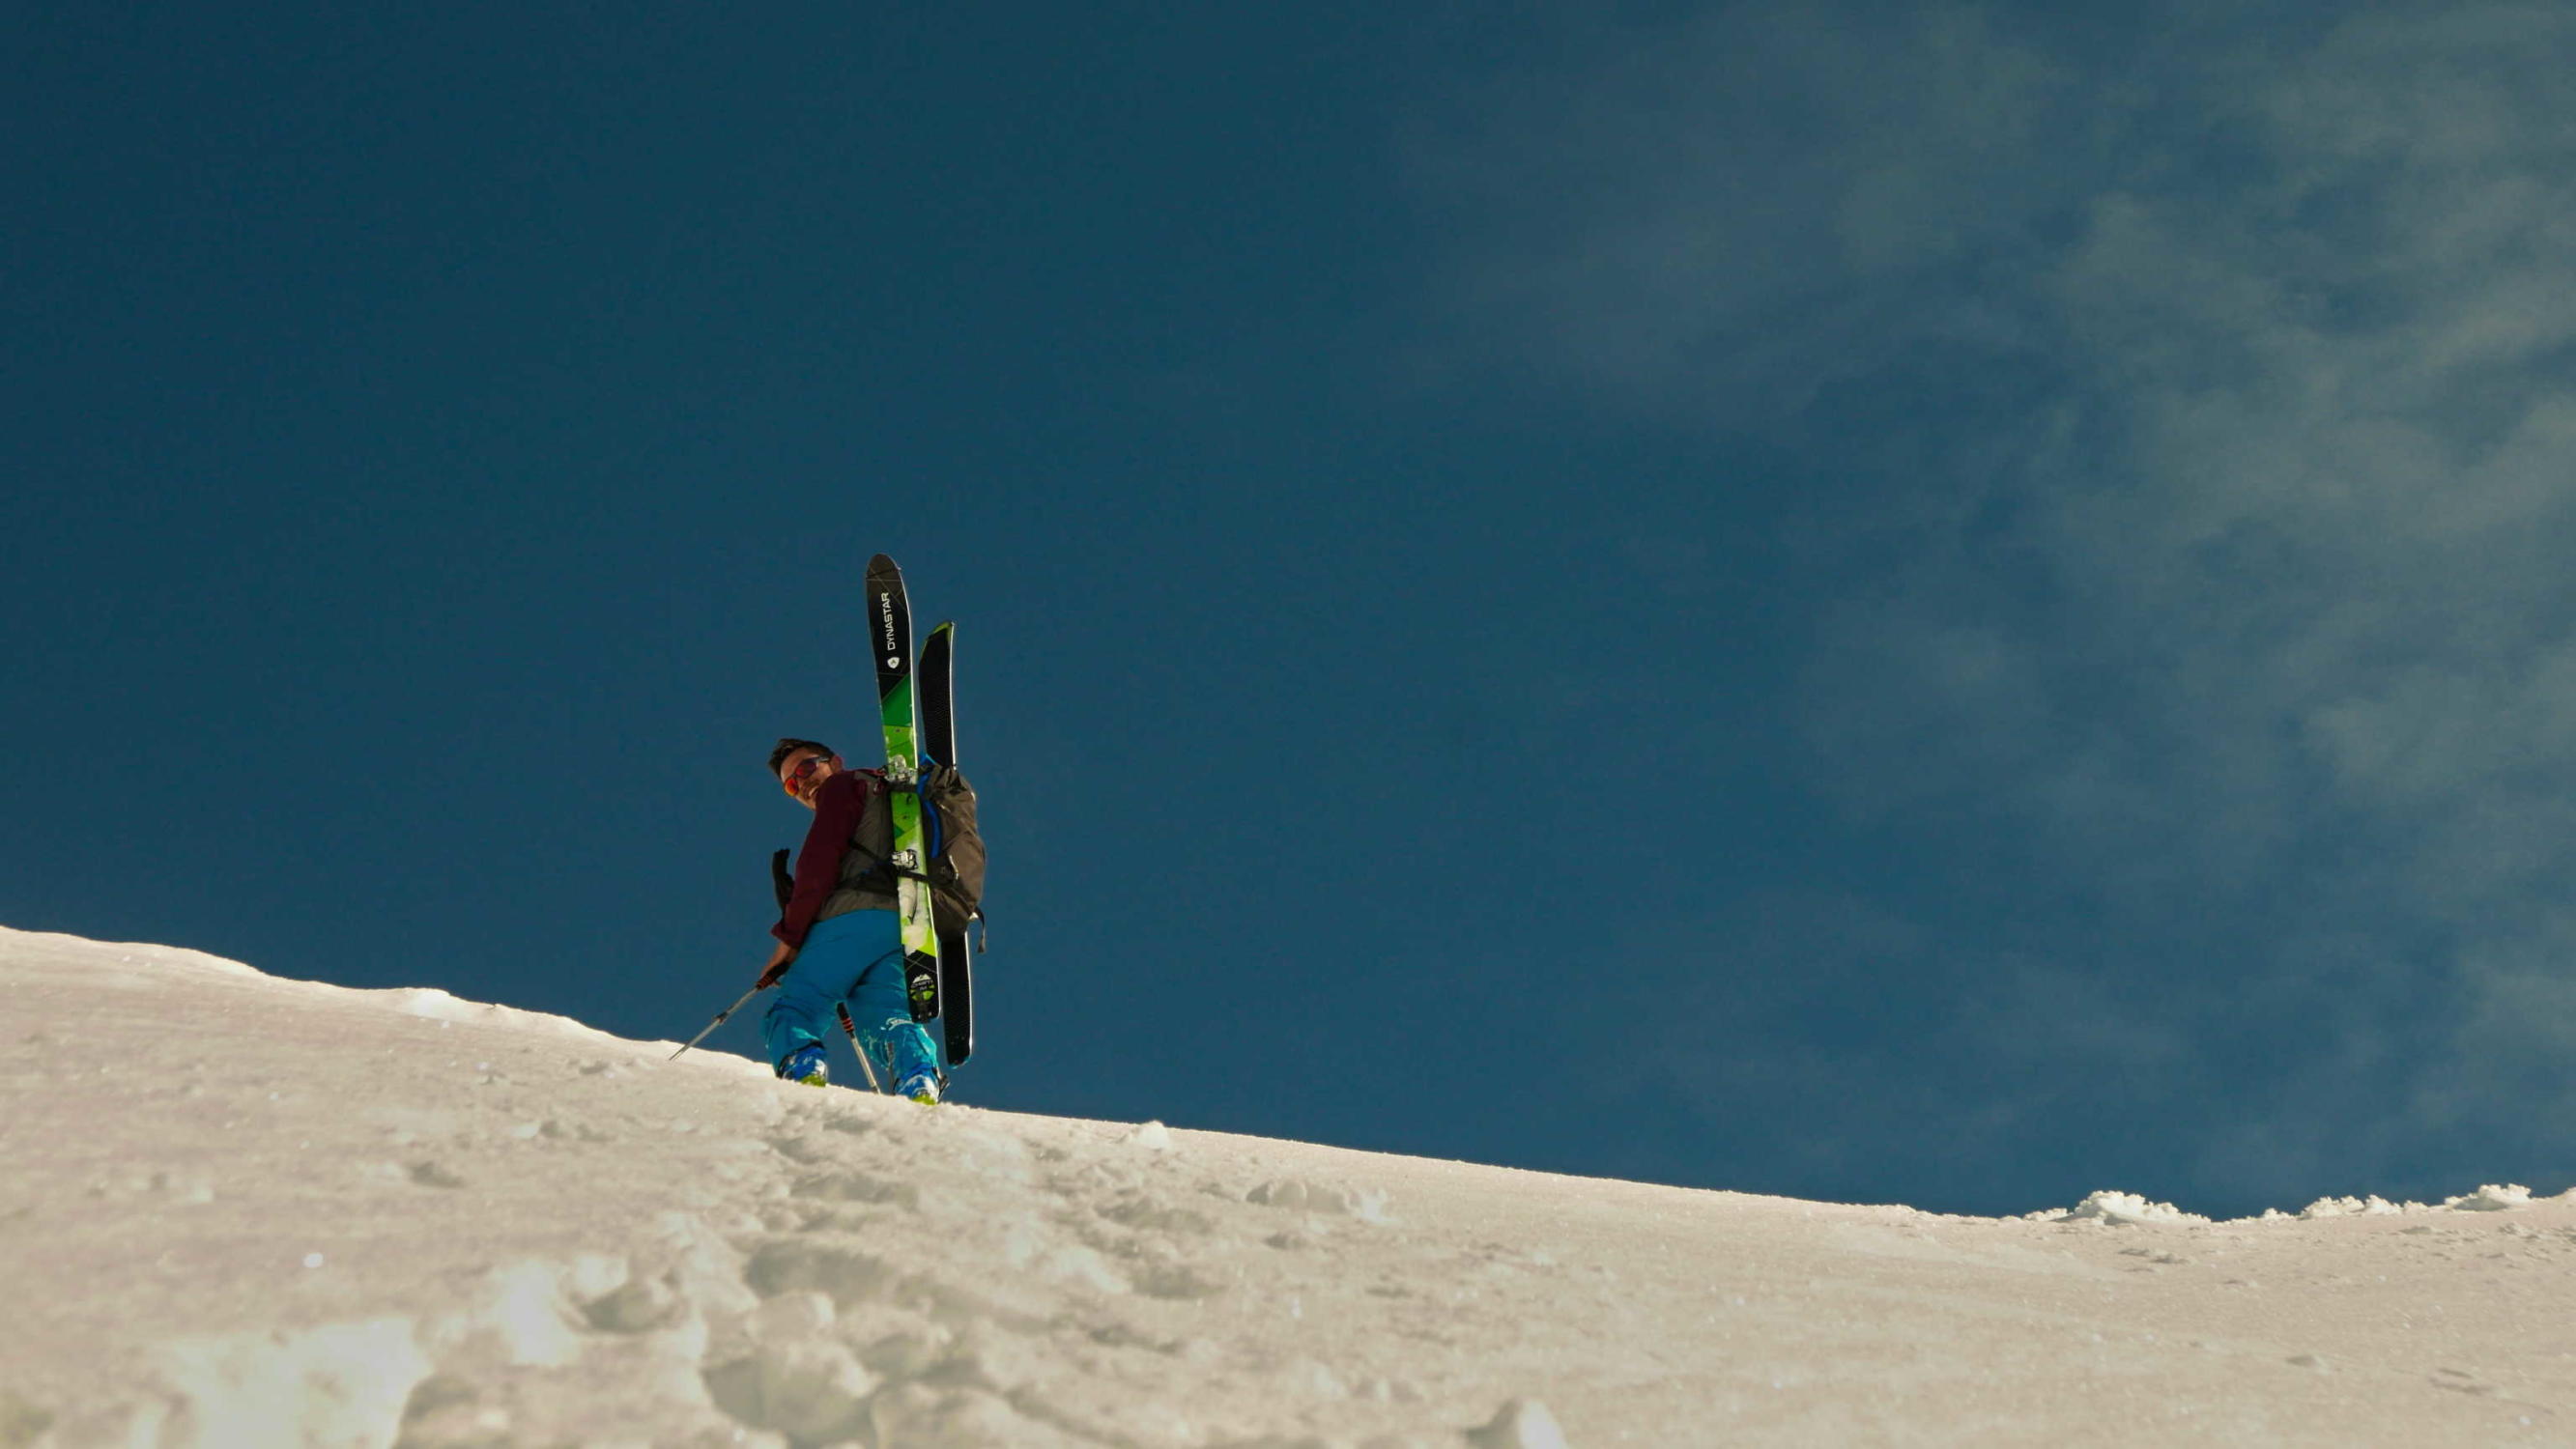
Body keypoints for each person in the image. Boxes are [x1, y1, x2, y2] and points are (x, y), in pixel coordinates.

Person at [756, 737, 946, 1102]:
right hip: (907, 924)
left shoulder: (844, 787)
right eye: (792, 784)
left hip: (851, 921)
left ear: (836, 762)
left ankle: (802, 1069)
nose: (803, 782)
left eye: (807, 767)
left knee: (797, 1005)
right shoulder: (892, 796)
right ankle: (918, 1077)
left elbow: (817, 864)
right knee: (887, 1016)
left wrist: (789, 940)